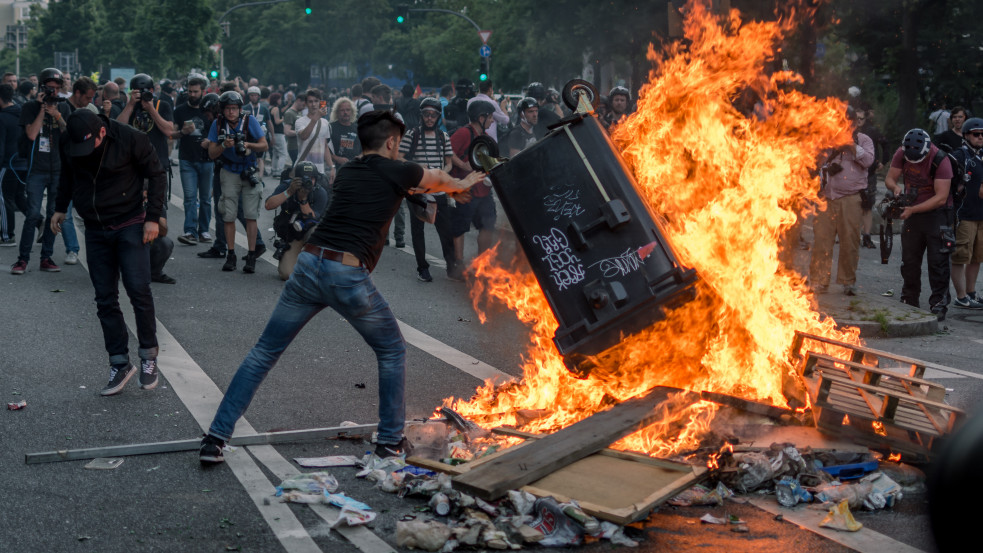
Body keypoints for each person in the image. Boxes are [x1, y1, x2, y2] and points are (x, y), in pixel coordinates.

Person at [199, 111, 484, 464]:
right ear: (393, 141)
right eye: (398, 142)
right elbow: (440, 179)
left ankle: (215, 439)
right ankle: (390, 442)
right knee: (393, 350)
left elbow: (401, 190)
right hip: (346, 274)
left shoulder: (349, 169)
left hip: (308, 266)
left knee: (263, 353)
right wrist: (467, 180)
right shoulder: (402, 170)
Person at [52, 110, 165, 395]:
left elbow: (157, 173)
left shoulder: (131, 138)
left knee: (138, 289)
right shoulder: (68, 140)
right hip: (95, 226)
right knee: (104, 298)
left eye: (90, 145)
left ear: (102, 132)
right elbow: (67, 175)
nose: (85, 153)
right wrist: (60, 207)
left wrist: (153, 217)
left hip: (129, 221)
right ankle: (119, 363)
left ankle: (149, 357)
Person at [885, 128, 954, 321]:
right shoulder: (902, 153)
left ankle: (938, 303)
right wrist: (896, 188)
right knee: (910, 259)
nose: (914, 162)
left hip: (938, 214)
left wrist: (913, 210)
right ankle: (909, 298)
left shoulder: (941, 160)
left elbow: (941, 198)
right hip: (912, 211)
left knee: (938, 261)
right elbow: (890, 178)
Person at [10, 67, 73, 275]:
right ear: (42, 87)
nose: (53, 92)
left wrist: (56, 115)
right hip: (36, 169)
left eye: (56, 89)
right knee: (33, 215)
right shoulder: (30, 106)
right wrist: (41, 108)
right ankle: (22, 259)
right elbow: (31, 134)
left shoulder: (63, 108)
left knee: (54, 215)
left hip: (58, 169)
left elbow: (69, 134)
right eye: (49, 88)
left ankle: (46, 257)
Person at [809, 115, 875, 295]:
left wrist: (851, 145)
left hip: (851, 198)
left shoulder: (864, 140)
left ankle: (848, 282)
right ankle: (819, 280)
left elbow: (869, 161)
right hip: (826, 198)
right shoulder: (827, 138)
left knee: (850, 241)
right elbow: (813, 158)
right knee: (822, 241)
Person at [206, 90, 268, 273]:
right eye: (227, 109)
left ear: (240, 109)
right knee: (228, 214)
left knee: (251, 215)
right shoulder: (217, 125)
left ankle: (251, 255)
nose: (231, 112)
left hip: (248, 170)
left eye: (234, 109)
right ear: (222, 110)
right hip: (228, 171)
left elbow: (264, 145)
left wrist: (249, 145)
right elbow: (211, 153)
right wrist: (224, 145)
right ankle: (230, 254)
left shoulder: (250, 121)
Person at [399, 96, 455, 282]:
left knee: (445, 230)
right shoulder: (412, 134)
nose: (429, 118)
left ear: (438, 117)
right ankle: (422, 268)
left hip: (438, 191)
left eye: (433, 115)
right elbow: (399, 158)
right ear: (421, 116)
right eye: (426, 114)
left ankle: (451, 266)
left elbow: (448, 163)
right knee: (418, 231)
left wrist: (440, 174)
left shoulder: (443, 136)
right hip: (418, 192)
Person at [448, 100, 498, 280]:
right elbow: (448, 151)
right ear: (481, 117)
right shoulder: (463, 133)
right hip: (465, 190)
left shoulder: (486, 137)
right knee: (460, 227)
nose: (492, 121)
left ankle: (482, 264)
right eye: (490, 117)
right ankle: (459, 264)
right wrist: (462, 164)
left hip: (483, 190)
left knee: (488, 225)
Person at [266, 161, 330, 280]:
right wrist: (289, 192)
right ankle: (293, 256)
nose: (309, 181)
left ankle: (313, 264)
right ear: (296, 179)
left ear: (316, 179)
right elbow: (268, 205)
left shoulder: (320, 192)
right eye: (305, 178)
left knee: (318, 231)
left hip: (309, 232)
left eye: (312, 178)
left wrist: (303, 200)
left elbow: (313, 218)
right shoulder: (287, 186)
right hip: (292, 234)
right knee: (286, 274)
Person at [172, 76, 213, 245]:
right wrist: (182, 132)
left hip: (206, 159)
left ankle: (204, 230)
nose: (192, 94)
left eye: (196, 91)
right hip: (187, 159)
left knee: (205, 198)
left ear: (203, 91)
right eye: (189, 91)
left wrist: (210, 142)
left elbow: (218, 133)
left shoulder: (209, 111)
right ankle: (190, 231)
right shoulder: (180, 110)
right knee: (189, 198)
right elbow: (171, 134)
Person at [949, 117, 983, 309]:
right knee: (961, 256)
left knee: (977, 257)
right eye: (976, 134)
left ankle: (971, 293)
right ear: (966, 135)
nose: (980, 137)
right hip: (964, 214)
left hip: (981, 214)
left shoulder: (981, 155)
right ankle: (961, 296)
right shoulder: (959, 155)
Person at [0, 84, 25, 247]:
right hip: (22, 163)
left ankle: (7, 235)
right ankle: (39, 221)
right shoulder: (21, 112)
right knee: (18, 197)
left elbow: (0, 146)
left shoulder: (2, 118)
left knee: (4, 198)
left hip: (7, 164)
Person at [328, 97, 361, 168]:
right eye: (342, 110)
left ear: (352, 111)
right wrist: (336, 158)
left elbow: (365, 149)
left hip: (355, 168)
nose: (345, 112)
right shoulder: (331, 127)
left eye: (348, 110)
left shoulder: (358, 128)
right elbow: (324, 149)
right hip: (337, 169)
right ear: (337, 112)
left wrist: (360, 157)